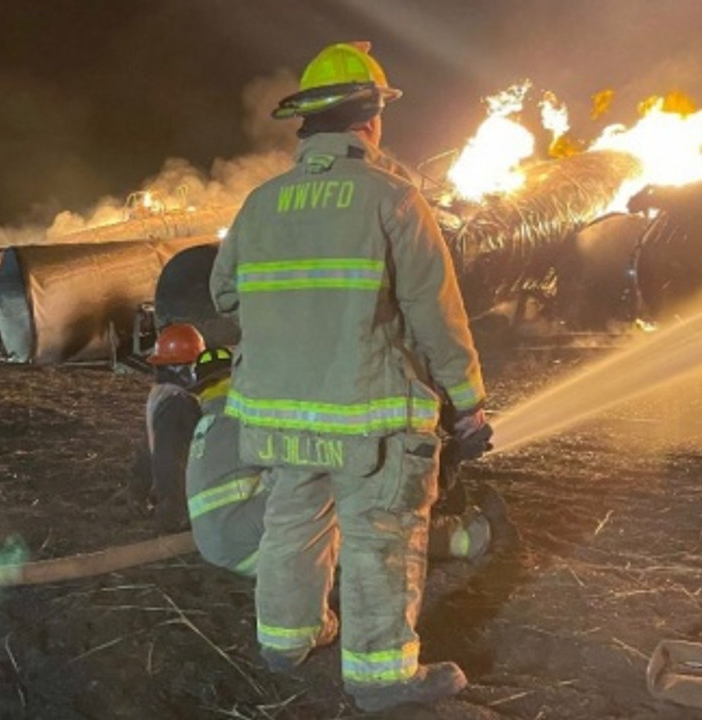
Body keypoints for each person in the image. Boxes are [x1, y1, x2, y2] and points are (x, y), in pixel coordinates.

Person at [209, 41, 492, 713]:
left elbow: (224, 296)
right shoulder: (392, 201)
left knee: (292, 523)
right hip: (368, 418)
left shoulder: (260, 204)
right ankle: (380, 677)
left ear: (306, 123)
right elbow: (437, 318)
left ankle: (285, 642)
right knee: (381, 536)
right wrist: (469, 405)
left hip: (276, 417)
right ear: (371, 120)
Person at [185, 345, 498, 577]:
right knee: (365, 516)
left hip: (225, 546)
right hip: (258, 540)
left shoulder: (210, 426)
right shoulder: (250, 412)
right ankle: (464, 538)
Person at [140, 323, 207, 531]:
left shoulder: (161, 394)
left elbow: (147, 448)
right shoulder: (178, 402)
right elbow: (169, 459)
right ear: (184, 368)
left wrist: (137, 488)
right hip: (185, 503)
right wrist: (175, 512)